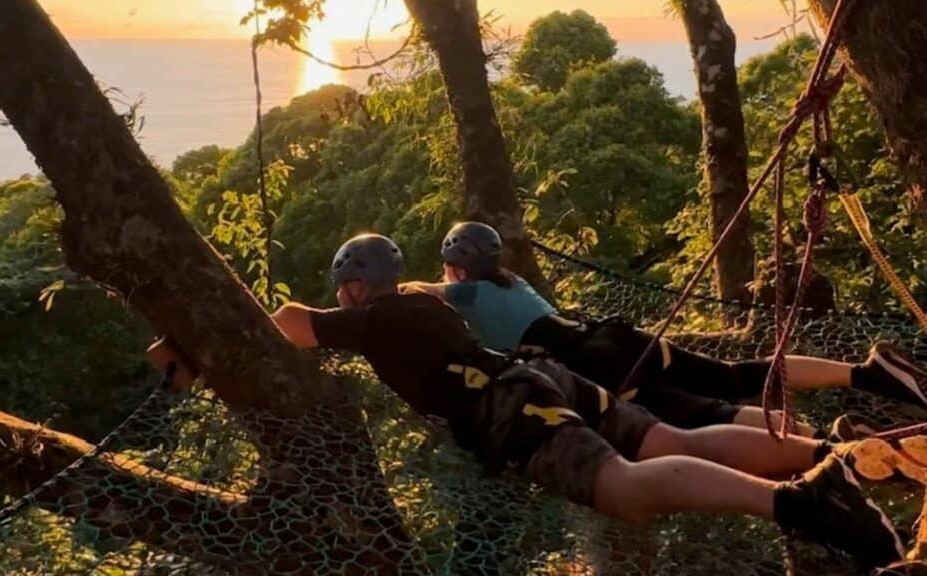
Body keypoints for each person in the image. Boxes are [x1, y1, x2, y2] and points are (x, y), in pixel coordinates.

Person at [268, 233, 904, 569]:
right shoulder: (423, 303)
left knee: (624, 487)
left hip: (507, 406)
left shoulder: (374, 318)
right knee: (676, 433)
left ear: (354, 286)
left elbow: (294, 323)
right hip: (544, 375)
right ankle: (831, 457)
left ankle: (800, 501)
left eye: (345, 287)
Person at [405, 221, 927, 437]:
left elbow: (417, 292)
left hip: (596, 364)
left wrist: (413, 290)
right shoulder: (510, 280)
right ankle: (866, 374)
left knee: (704, 414)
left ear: (457, 265)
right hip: (614, 335)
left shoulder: (464, 291)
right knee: (734, 374)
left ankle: (825, 447)